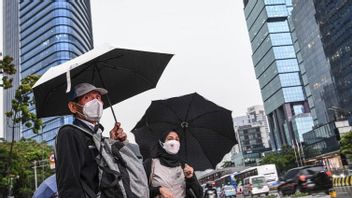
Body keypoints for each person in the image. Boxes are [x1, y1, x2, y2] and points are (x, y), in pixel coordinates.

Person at [55, 83, 127, 198]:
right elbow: (69, 181)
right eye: (87, 98)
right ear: (73, 107)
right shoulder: (69, 133)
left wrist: (113, 143)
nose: (96, 102)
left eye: (98, 97)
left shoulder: (98, 136)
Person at [144, 130, 203, 198]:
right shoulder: (150, 164)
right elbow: (140, 190)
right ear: (161, 143)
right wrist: (158, 190)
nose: (174, 142)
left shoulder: (184, 166)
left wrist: (190, 178)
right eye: (170, 139)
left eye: (177, 139)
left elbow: (199, 194)